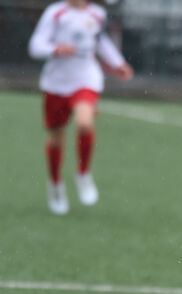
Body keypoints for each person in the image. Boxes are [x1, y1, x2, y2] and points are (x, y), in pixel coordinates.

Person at [28, 0, 134, 215]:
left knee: (85, 123)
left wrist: (118, 63)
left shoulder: (97, 14)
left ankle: (83, 173)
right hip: (56, 82)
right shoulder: (56, 12)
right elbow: (36, 45)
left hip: (85, 78)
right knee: (57, 137)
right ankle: (56, 184)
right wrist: (56, 48)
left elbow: (100, 41)